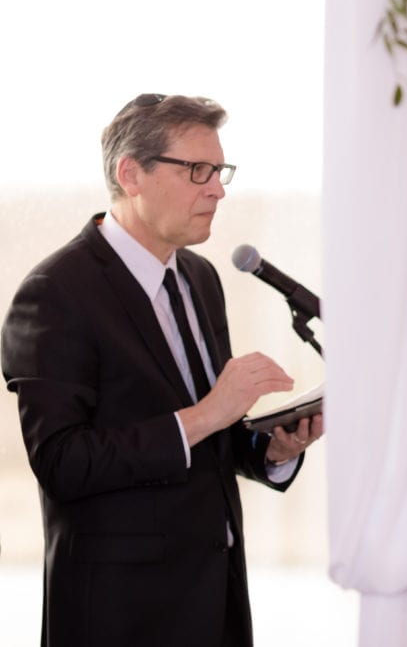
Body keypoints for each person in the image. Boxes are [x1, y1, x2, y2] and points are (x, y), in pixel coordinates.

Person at [1, 93, 324, 647]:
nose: (218, 189)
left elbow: (208, 438)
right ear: (131, 174)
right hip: (121, 616)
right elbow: (62, 462)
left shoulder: (200, 277)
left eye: (220, 171)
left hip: (217, 602)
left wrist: (269, 452)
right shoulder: (55, 293)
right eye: (198, 170)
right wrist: (205, 415)